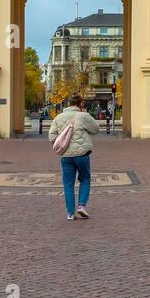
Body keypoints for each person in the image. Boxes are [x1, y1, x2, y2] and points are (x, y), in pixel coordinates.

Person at [47, 93, 100, 221]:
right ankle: (81, 206)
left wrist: (62, 145)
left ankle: (70, 213)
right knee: (85, 179)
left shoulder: (59, 117)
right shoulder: (83, 116)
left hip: (66, 156)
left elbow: (51, 136)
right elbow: (96, 129)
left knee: (68, 184)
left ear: (67, 103)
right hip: (82, 155)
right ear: (80, 104)